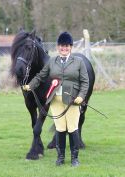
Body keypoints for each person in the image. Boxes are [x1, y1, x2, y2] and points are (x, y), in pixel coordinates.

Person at [23, 32, 89, 167]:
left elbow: (85, 81)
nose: (63, 48)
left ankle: (74, 158)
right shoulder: (52, 61)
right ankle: (60, 157)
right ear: (58, 47)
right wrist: (30, 85)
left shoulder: (79, 62)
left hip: (72, 100)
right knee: (60, 128)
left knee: (72, 128)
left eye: (66, 46)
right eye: (61, 46)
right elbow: (41, 76)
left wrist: (81, 96)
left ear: (70, 47)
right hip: (56, 100)